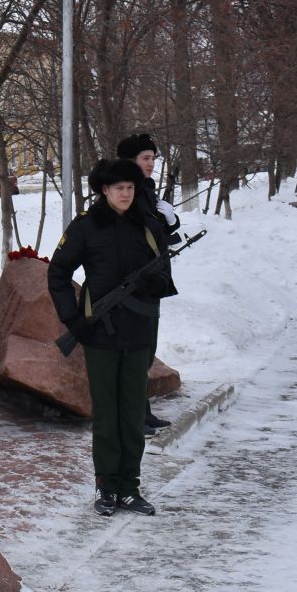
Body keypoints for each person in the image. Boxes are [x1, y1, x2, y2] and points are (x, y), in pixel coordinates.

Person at [48, 157, 176, 517]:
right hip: (99, 334)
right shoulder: (86, 227)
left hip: (139, 331)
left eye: (130, 188)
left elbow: (165, 272)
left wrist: (156, 282)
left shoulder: (148, 225)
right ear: (104, 190)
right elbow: (58, 273)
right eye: (119, 188)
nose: (125, 194)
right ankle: (106, 487)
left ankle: (130, 487)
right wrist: (73, 320)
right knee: (107, 415)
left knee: (133, 413)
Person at [114, 133, 177, 433]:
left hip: (151, 282)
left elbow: (156, 239)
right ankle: (132, 416)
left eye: (153, 158)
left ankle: (144, 410)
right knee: (135, 352)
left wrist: (170, 222)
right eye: (145, 158)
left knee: (147, 350)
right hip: (132, 286)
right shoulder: (125, 194)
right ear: (130, 161)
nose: (152, 164)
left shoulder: (146, 191)